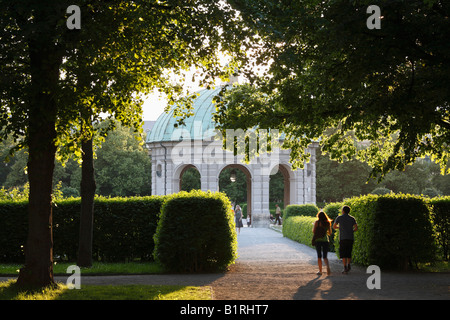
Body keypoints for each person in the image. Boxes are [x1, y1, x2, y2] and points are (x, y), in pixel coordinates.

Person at [333, 205, 358, 274]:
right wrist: (351, 231)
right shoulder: (352, 218)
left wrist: (340, 228)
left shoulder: (339, 218)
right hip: (350, 237)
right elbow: (356, 228)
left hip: (343, 238)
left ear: (343, 211)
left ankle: (344, 267)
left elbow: (334, 226)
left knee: (343, 253)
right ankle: (349, 265)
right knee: (349, 252)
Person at [312, 211, 332, 275]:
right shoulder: (327, 223)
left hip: (318, 240)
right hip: (325, 241)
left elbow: (314, 231)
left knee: (319, 256)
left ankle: (320, 271)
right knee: (325, 256)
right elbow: (330, 233)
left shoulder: (317, 223)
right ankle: (328, 267)